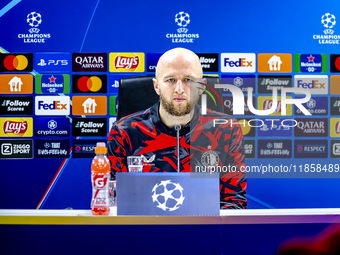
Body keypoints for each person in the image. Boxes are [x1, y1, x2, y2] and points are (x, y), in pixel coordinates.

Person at [108, 48, 247, 209]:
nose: (179, 89)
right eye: (170, 80)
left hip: (205, 231)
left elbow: (233, 201)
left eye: (188, 79)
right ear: (156, 86)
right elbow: (114, 201)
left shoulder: (226, 130)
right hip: (144, 231)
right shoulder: (124, 131)